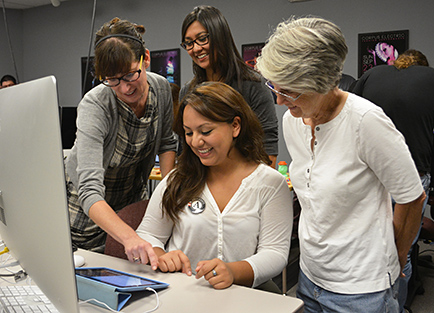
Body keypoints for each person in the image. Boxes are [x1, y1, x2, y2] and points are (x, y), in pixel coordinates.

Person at [256, 16, 425, 312]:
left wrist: (394, 260)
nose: (280, 100)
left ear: (320, 82)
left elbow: (412, 197)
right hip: (310, 280)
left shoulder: (366, 122)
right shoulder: (292, 122)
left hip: (363, 290)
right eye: (275, 88)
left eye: (290, 91)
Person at [136, 82, 293, 291]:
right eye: (189, 133)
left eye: (206, 131)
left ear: (235, 126)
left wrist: (233, 272)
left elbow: (275, 252)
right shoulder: (178, 180)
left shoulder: (270, 184)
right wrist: (161, 255)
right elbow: (148, 234)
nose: (196, 142)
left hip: (241, 298)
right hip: (182, 294)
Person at [64, 17, 177, 267]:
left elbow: (167, 143)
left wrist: (169, 195)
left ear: (145, 58)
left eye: (129, 75)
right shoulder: (96, 105)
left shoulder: (161, 90)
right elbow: (90, 190)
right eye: (112, 79)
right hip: (84, 209)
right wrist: (129, 237)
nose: (124, 88)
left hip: (128, 201)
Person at [353, 49, 434, 312]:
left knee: (367, 240)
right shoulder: (430, 78)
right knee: (401, 250)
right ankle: (395, 305)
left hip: (370, 173)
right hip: (412, 174)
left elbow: (347, 114)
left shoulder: (372, 74)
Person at [179, 5, 279, 167]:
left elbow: (268, 147)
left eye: (202, 38)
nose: (196, 48)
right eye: (189, 43)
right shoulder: (188, 92)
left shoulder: (253, 85)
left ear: (220, 36)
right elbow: (184, 150)